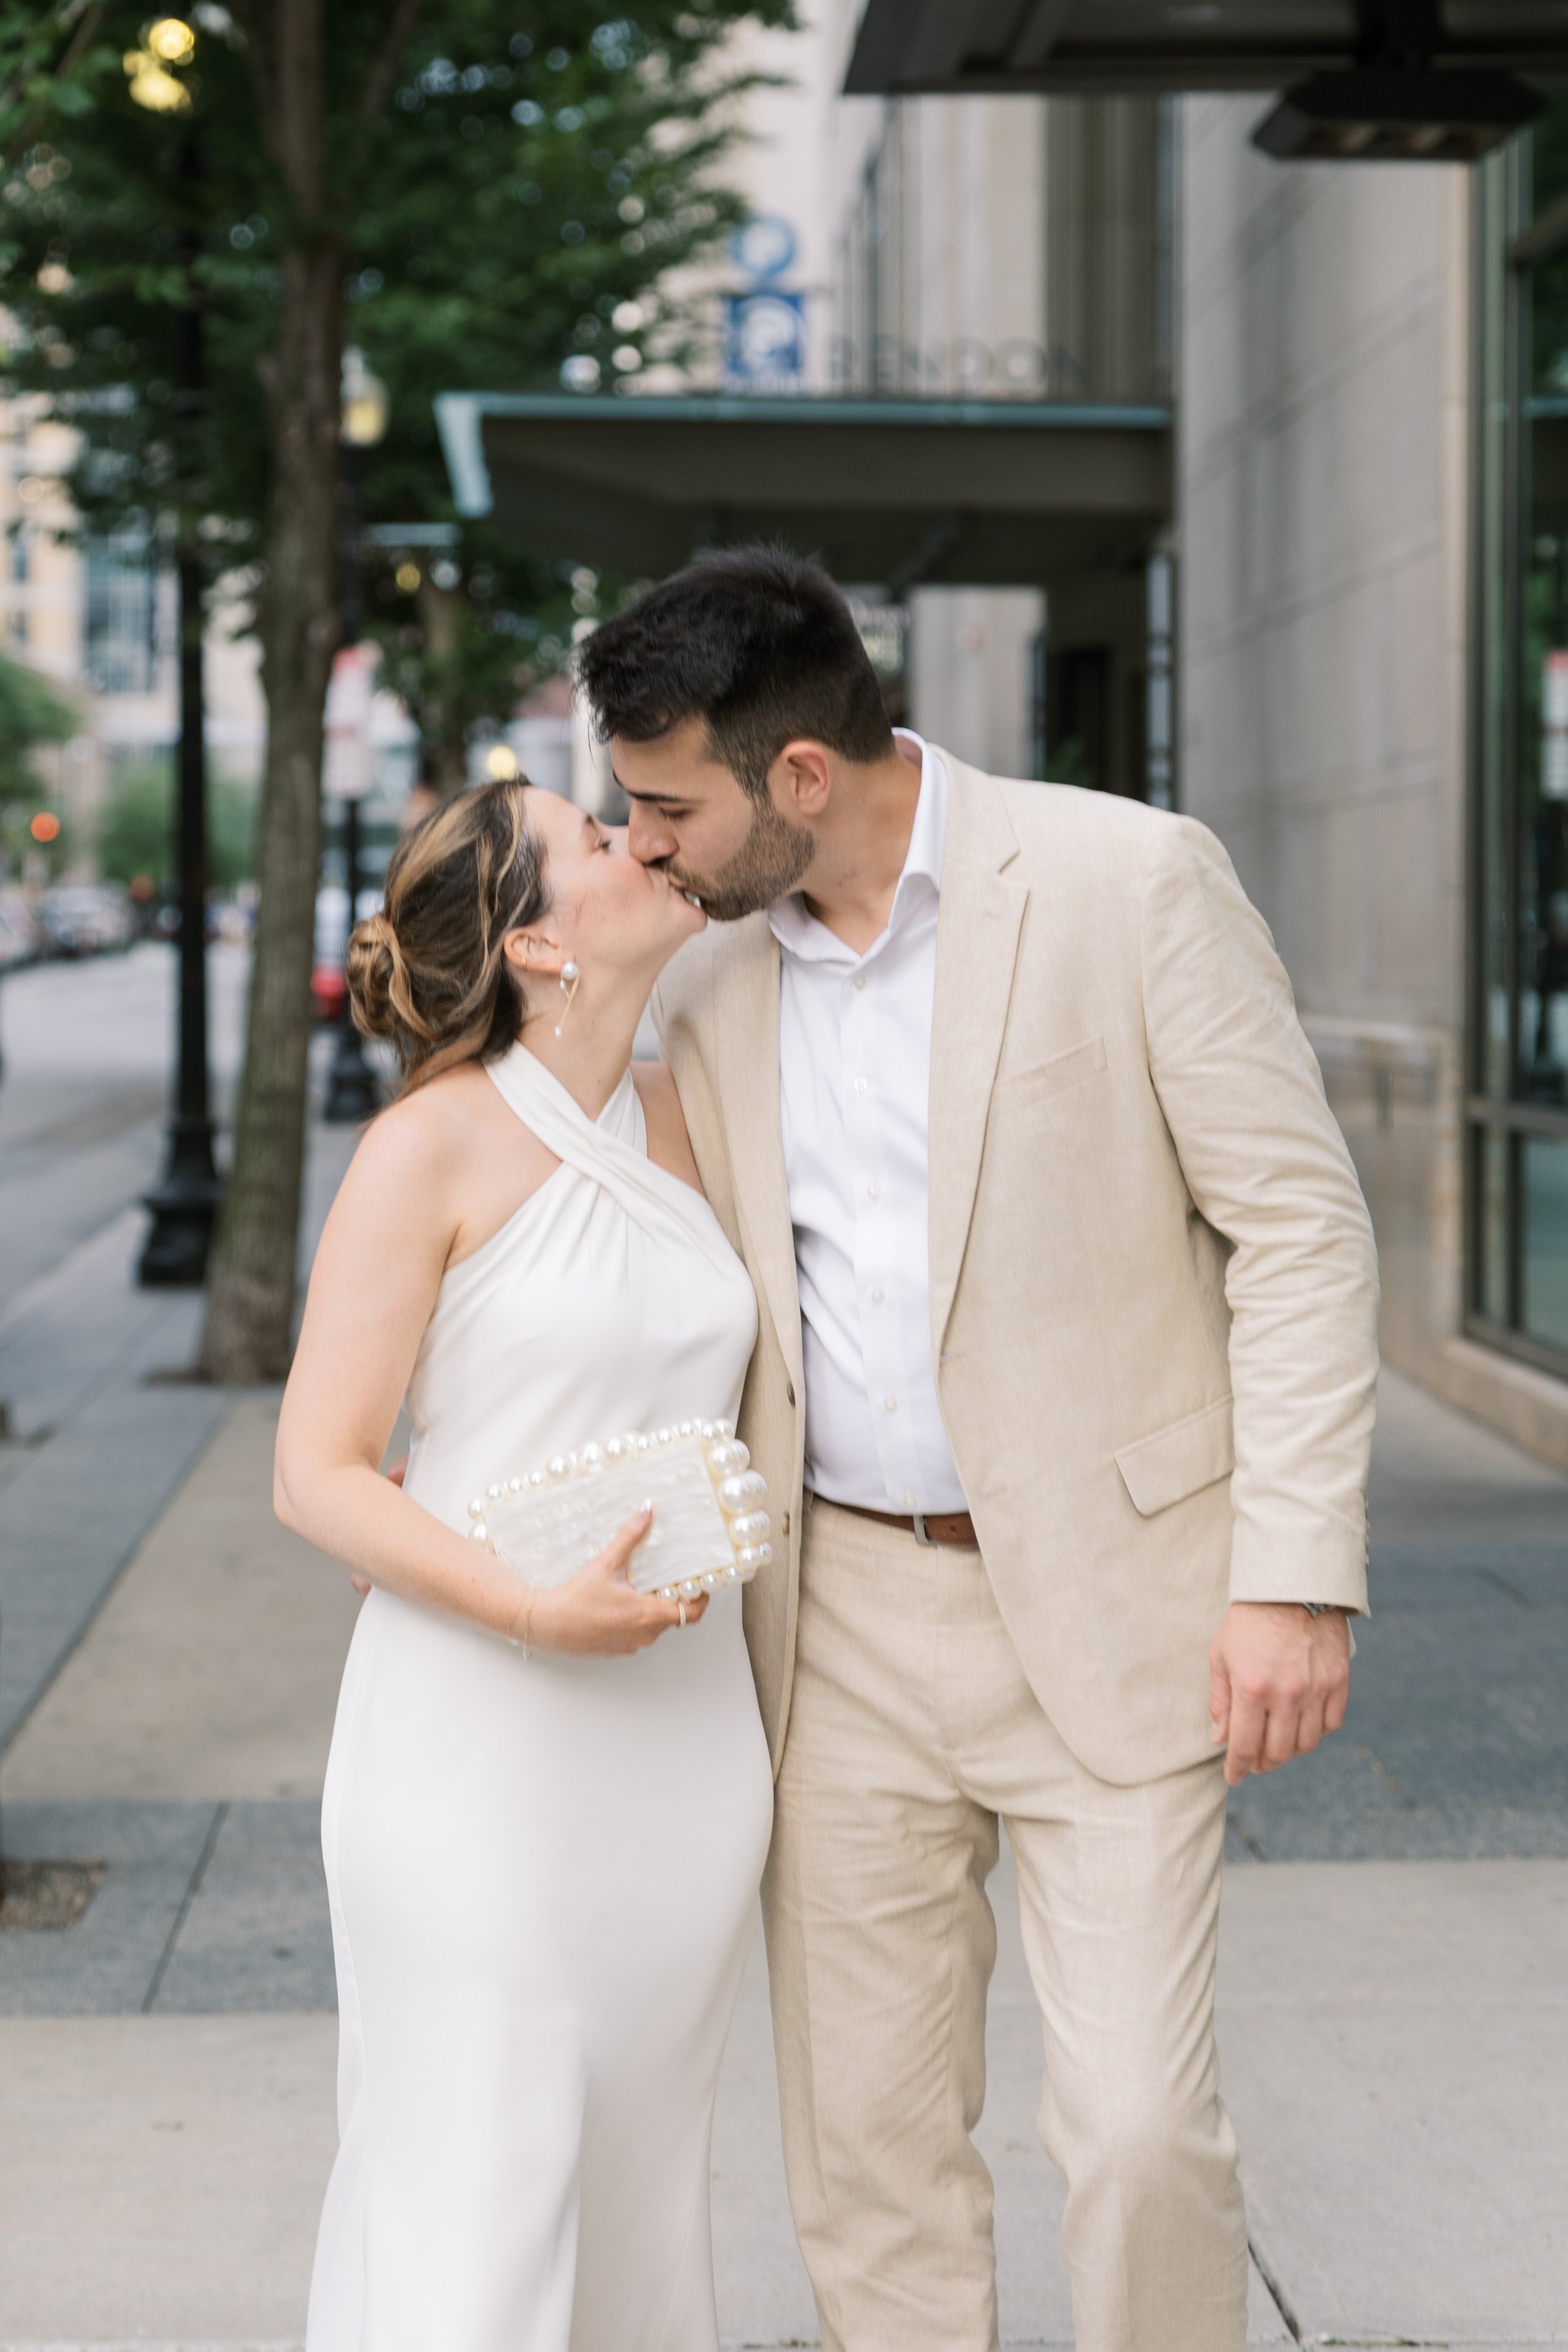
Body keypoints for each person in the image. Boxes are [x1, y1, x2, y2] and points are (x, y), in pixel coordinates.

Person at [575, 545, 1380, 2352]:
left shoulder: (1125, 877)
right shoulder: (699, 978)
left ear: (798, 776)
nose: (638, 845)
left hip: (1122, 1599)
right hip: (833, 1610)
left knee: (1140, 2129)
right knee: (866, 2147)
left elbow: (1302, 1231)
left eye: (662, 806)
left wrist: (1291, 1569)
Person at [273, 779, 772, 2351]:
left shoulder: (697, 1106)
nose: (641, 839)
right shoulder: (427, 1148)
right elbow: (315, 1473)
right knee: (475, 2203)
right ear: (539, 936)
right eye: (597, 834)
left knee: (634, 2199)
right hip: (476, 1748)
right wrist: (530, 1608)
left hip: (686, 1750)